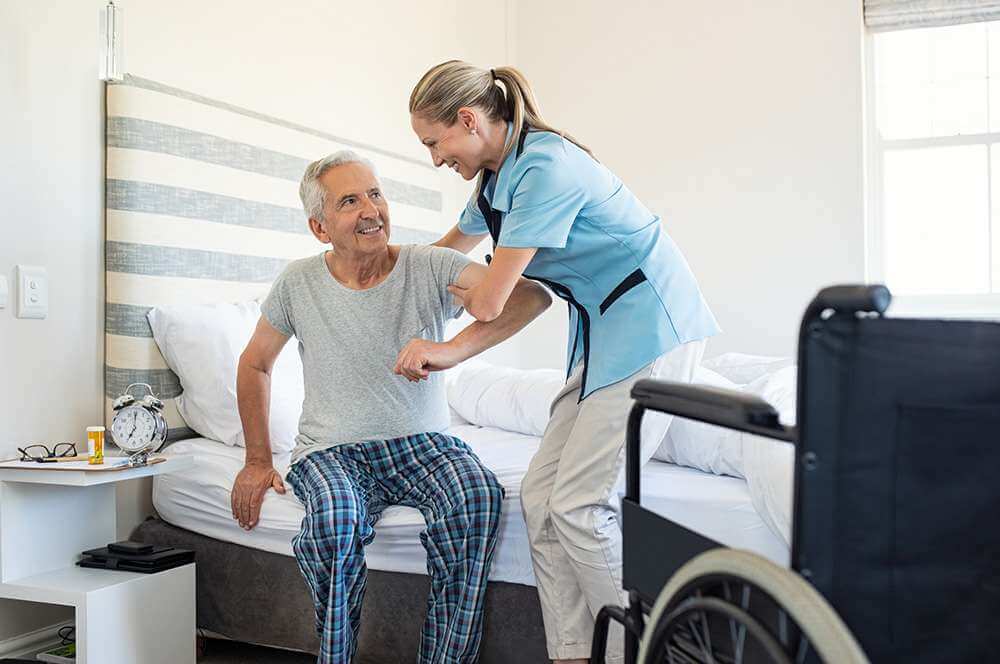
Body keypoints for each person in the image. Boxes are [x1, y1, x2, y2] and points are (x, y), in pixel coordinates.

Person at [409, 61, 720, 663]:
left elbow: (497, 297)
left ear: (468, 121)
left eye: (433, 142)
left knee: (580, 504)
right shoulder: (495, 182)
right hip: (604, 336)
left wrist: (443, 347)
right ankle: (575, 654)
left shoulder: (545, 168)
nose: (434, 159)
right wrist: (385, 277)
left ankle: (653, 651)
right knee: (539, 499)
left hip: (652, 327)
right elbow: (445, 255)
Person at [230, 150, 552, 664]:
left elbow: (529, 298)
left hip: (423, 445)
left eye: (376, 193)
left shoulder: (430, 266)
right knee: (335, 519)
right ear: (319, 227)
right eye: (350, 200)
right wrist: (256, 460)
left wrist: (450, 351)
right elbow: (255, 364)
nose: (371, 210)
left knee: (476, 495)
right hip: (332, 452)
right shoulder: (298, 283)